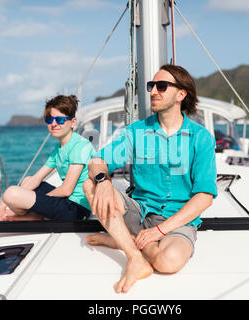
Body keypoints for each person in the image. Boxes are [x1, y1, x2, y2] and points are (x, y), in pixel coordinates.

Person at [83, 64, 218, 293]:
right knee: (90, 183)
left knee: (168, 262)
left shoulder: (201, 138)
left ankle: (122, 238)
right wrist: (103, 181)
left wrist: (159, 231)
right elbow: (96, 161)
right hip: (139, 211)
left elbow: (204, 197)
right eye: (151, 86)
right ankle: (134, 256)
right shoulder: (136, 132)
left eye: (162, 86)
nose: (153, 91)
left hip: (177, 221)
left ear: (181, 94)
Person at [0, 94, 94, 222]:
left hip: (76, 209)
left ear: (73, 122)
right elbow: (36, 178)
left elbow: (67, 189)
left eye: (60, 120)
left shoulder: (79, 146)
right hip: (67, 201)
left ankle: (32, 214)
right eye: (50, 119)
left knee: (11, 193)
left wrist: (40, 200)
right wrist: (2, 205)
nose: (54, 124)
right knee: (27, 181)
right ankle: (34, 216)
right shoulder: (59, 149)